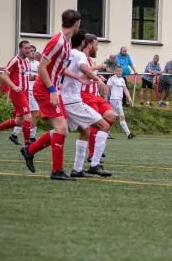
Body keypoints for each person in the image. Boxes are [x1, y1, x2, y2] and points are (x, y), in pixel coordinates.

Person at [19, 9, 85, 181]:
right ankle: (56, 171)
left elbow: (57, 67)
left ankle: (29, 150)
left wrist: (78, 77)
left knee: (62, 129)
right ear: (76, 23)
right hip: (45, 89)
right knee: (61, 128)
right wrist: (52, 91)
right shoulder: (58, 41)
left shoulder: (67, 42)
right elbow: (41, 67)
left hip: (53, 89)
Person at [60, 31, 112, 178]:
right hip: (73, 100)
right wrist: (98, 79)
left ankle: (77, 169)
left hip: (63, 98)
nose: (97, 47)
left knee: (83, 131)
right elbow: (84, 68)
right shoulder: (80, 54)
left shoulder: (68, 54)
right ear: (85, 44)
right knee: (104, 126)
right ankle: (95, 165)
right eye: (96, 45)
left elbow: (62, 70)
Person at [80, 34, 118, 162]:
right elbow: (82, 71)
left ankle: (97, 146)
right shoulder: (80, 57)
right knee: (95, 121)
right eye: (96, 45)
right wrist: (97, 68)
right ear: (89, 45)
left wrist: (99, 78)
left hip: (96, 95)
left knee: (111, 116)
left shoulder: (90, 59)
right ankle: (92, 153)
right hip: (86, 95)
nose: (97, 48)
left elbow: (89, 74)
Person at [0, 41, 33, 145]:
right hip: (17, 93)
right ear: (20, 49)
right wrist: (14, 86)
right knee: (28, 117)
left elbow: (26, 76)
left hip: (25, 93)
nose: (28, 50)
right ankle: (28, 144)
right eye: (26, 48)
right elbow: (4, 75)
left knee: (19, 121)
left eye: (29, 48)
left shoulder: (27, 61)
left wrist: (36, 77)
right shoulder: (15, 60)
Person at [9, 45, 41, 144]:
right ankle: (31, 138)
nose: (32, 53)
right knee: (32, 115)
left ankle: (15, 134)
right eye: (30, 51)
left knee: (31, 115)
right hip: (28, 91)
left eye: (33, 51)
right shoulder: (26, 62)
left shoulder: (37, 63)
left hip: (35, 91)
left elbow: (40, 75)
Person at [107, 65, 136, 139]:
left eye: (120, 71)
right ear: (115, 71)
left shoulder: (122, 79)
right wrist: (105, 99)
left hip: (118, 100)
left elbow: (125, 89)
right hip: (115, 100)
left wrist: (129, 97)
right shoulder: (112, 79)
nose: (119, 72)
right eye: (118, 71)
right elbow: (107, 89)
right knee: (122, 116)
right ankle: (128, 134)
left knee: (112, 117)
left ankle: (106, 133)